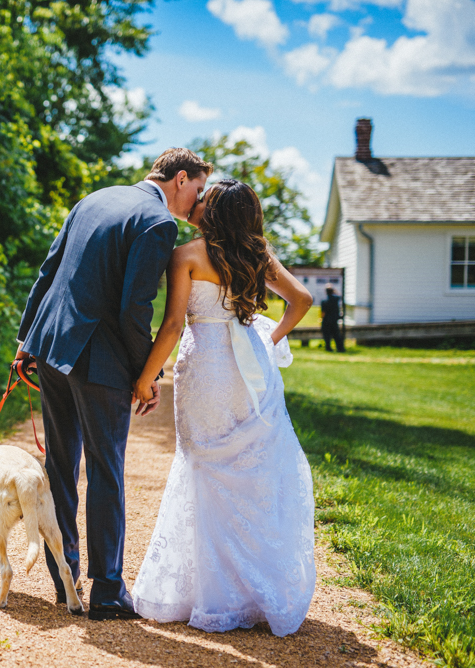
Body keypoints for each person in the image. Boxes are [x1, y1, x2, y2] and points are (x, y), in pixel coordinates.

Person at [14, 148, 212, 620]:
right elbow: (133, 310)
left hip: (52, 348)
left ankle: (65, 581)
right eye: (198, 190)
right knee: (105, 468)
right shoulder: (157, 223)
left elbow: (49, 270)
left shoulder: (94, 198)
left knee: (61, 466)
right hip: (99, 361)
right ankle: (105, 591)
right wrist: (146, 374)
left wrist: (26, 340)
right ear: (180, 178)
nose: (197, 203)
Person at [130, 179, 316, 636]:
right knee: (250, 474)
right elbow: (302, 300)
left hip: (207, 368)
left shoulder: (187, 255)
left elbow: (173, 325)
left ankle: (208, 592)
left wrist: (145, 379)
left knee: (202, 466)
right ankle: (253, 591)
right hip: (250, 367)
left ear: (212, 214)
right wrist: (268, 343)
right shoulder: (257, 254)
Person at [320, 285, 345, 352]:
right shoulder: (336, 299)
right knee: (336, 335)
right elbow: (340, 295)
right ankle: (340, 348)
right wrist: (335, 291)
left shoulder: (324, 301)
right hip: (334, 320)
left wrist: (321, 318)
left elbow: (323, 312)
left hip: (326, 320)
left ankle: (328, 348)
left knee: (327, 335)